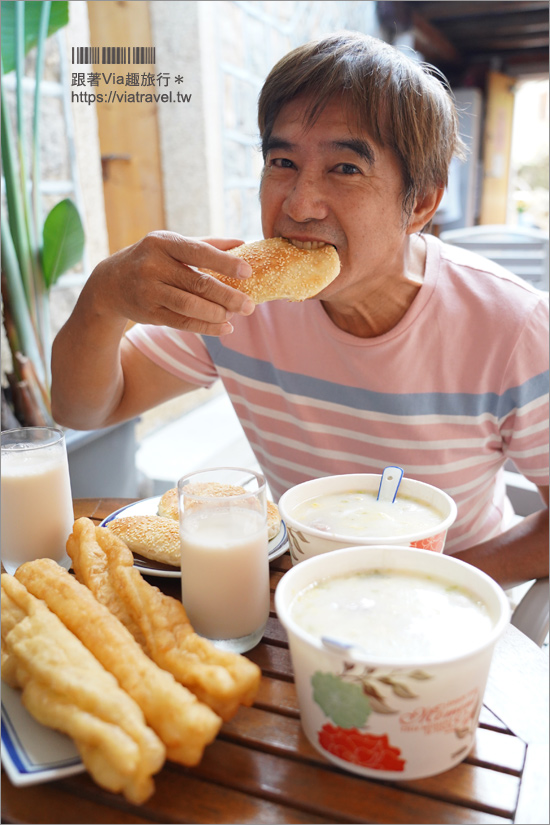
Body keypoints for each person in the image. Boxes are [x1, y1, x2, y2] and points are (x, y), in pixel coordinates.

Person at [52, 32, 548, 590]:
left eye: (345, 169)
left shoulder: (513, 326)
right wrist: (102, 301)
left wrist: (427, 583)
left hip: (458, 613)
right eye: (282, 161)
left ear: (423, 202)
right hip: (297, 596)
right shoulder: (244, 296)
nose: (298, 204)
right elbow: (83, 409)